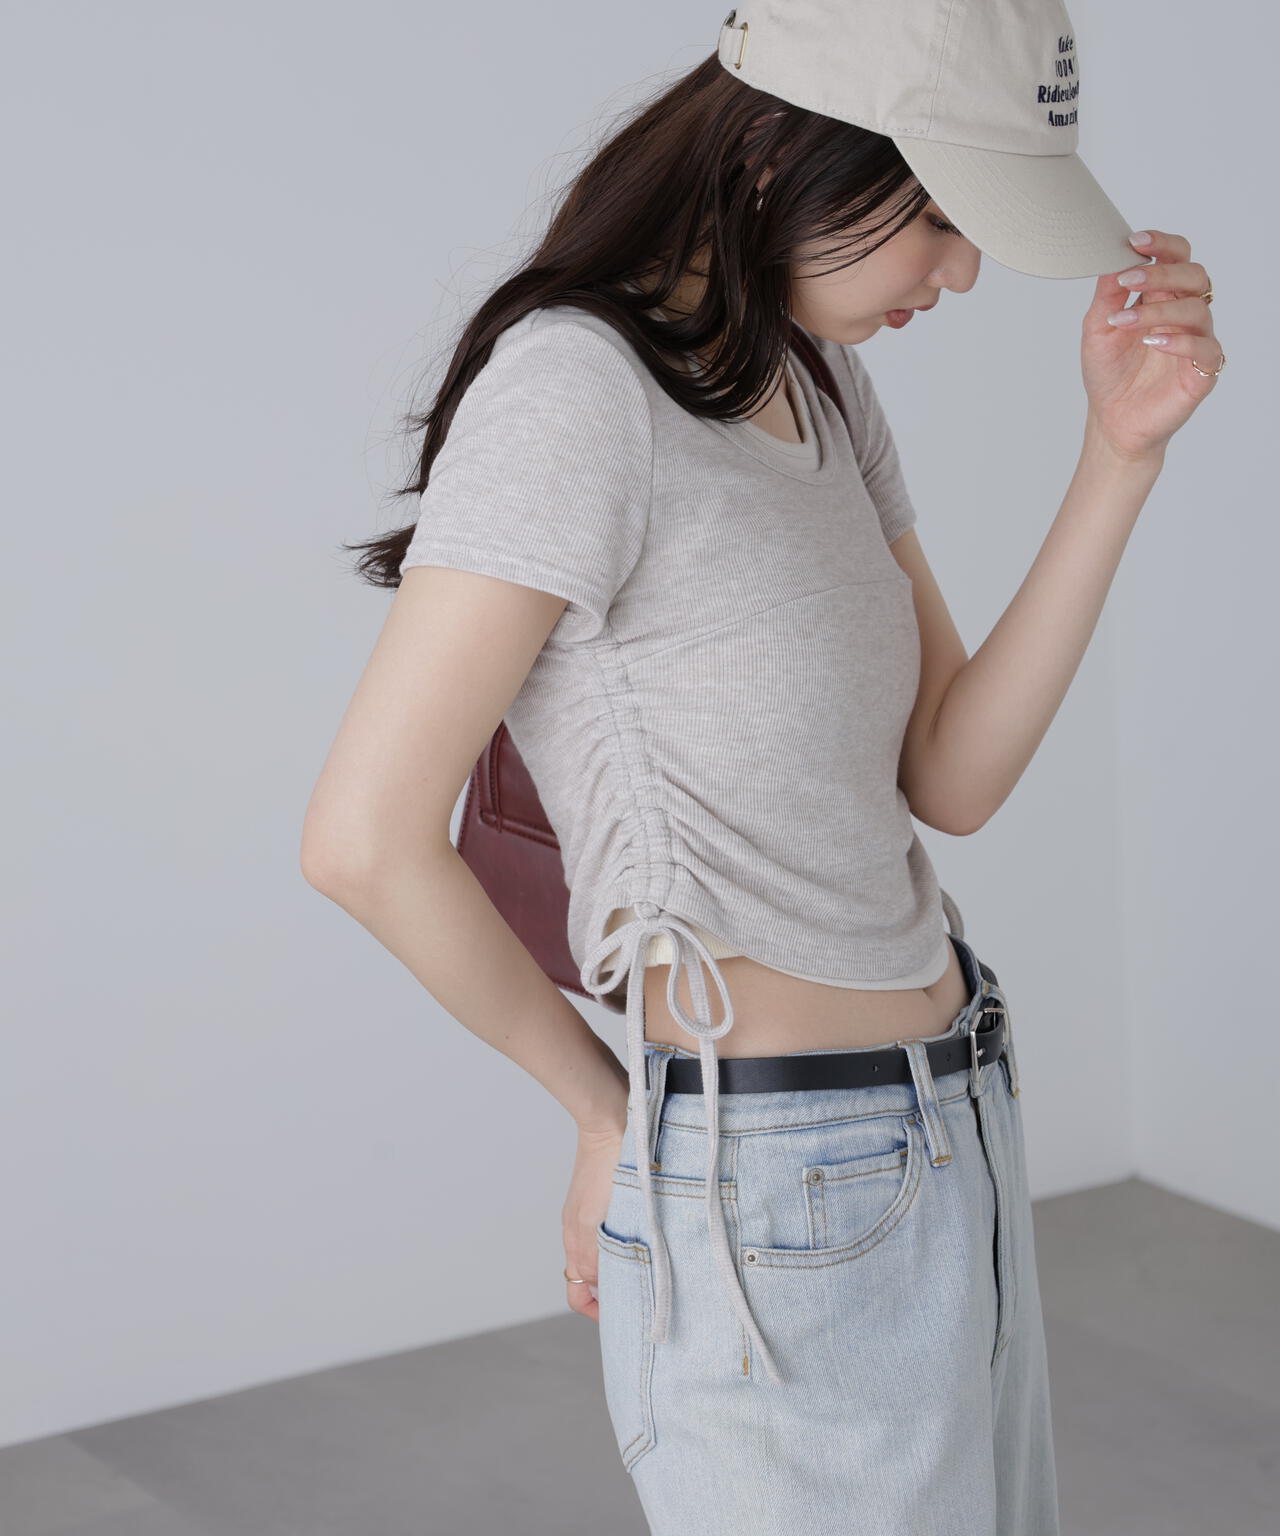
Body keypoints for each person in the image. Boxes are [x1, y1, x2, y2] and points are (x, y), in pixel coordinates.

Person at [301, 3, 1223, 1531]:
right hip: (780, 1182)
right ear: (786, 153)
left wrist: (1119, 457)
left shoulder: (817, 381)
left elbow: (951, 774)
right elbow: (362, 838)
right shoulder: (577, 392)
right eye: (943, 215)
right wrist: (610, 1119)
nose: (963, 272)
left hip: (955, 1116)